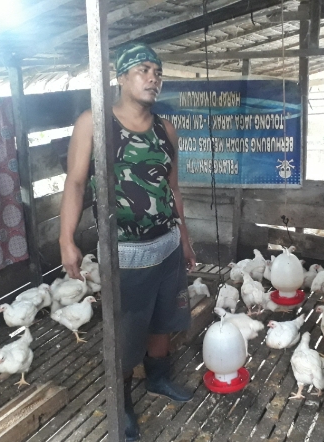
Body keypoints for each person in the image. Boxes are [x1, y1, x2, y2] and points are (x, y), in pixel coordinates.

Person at [59, 42, 195, 441]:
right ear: (121, 77)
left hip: (166, 245)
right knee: (125, 333)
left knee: (163, 319)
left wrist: (184, 239)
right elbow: (76, 182)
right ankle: (122, 406)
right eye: (144, 70)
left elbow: (173, 190)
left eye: (158, 71)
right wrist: (66, 238)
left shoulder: (165, 129)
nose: (154, 77)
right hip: (125, 253)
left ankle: (158, 378)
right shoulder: (95, 124)